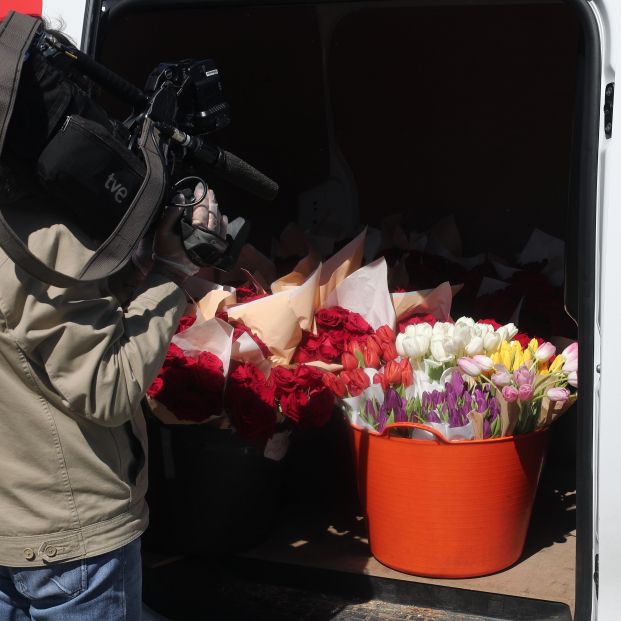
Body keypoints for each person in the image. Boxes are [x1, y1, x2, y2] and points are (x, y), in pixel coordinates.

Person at [0, 120, 224, 621]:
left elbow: (28, 341)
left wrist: (127, 279)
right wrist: (172, 273)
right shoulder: (39, 234)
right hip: (67, 534)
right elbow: (107, 387)